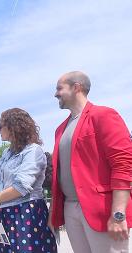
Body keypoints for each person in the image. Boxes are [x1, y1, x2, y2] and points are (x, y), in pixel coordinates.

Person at [50, 71, 132, 253]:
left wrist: (118, 215)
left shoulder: (103, 115)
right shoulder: (59, 130)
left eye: (59, 88)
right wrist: (54, 212)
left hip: (101, 209)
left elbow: (123, 164)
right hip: (70, 208)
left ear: (76, 87)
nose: (55, 94)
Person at [0, 108, 57, 253]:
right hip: (4, 214)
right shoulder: (6, 153)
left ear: (12, 127)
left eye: (0, 126)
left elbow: (21, 187)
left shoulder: (33, 151)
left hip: (27, 212)